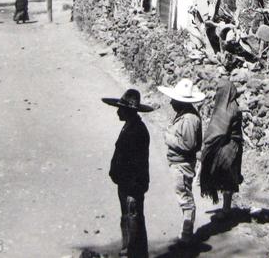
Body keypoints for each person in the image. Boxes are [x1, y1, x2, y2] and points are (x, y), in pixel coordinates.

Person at [103, 89, 153, 258]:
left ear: (128, 111)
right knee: (128, 219)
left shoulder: (136, 132)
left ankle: (133, 253)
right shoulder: (131, 126)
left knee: (133, 222)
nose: (117, 111)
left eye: (120, 109)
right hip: (126, 185)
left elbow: (136, 165)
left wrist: (132, 188)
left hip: (131, 187)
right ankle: (128, 252)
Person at [157, 78, 205, 243]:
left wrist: (168, 137)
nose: (171, 102)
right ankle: (186, 231)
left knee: (184, 196)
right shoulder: (185, 115)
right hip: (180, 163)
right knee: (183, 194)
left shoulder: (189, 119)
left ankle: (187, 234)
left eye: (174, 100)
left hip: (182, 164)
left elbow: (187, 144)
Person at [200, 80, 244, 217]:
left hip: (228, 148)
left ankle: (226, 210)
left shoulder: (229, 109)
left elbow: (219, 130)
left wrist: (207, 143)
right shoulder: (229, 105)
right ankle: (226, 208)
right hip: (229, 146)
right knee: (227, 177)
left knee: (227, 178)